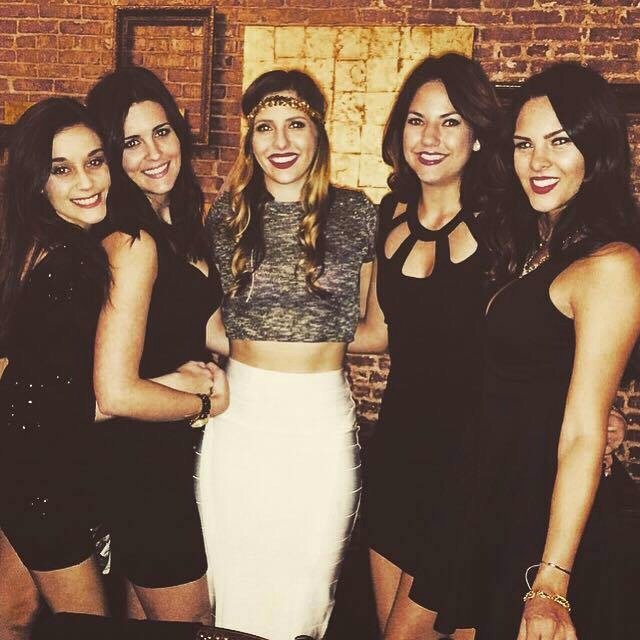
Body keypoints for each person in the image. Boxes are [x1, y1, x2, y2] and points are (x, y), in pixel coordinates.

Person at [410, 62, 640, 640]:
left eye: (560, 142)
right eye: (523, 144)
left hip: (539, 509)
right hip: (485, 484)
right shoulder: (535, 244)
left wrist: (550, 584)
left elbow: (583, 432)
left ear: (597, 149)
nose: (538, 162)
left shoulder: (611, 265)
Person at [195, 69, 377, 640]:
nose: (280, 141)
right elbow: (200, 317)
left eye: (295, 124)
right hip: (240, 419)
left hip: (320, 424)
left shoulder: (357, 212)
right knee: (231, 591)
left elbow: (377, 327)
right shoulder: (225, 216)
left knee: (306, 595)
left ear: (318, 131)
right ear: (248, 138)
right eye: (264, 127)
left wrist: (309, 338)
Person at [348, 53, 501, 639]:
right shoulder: (387, 215)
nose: (429, 138)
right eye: (417, 120)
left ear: (478, 135)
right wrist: (269, 341)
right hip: (398, 455)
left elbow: (546, 333)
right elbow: (376, 332)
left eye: (450, 121)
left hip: (472, 464)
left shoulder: (508, 225)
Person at [85, 67, 229, 623]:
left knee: (147, 621)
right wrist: (202, 402)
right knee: (190, 623)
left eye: (161, 132)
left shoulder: (178, 222)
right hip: (141, 464)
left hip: (167, 455)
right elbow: (115, 393)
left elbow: (206, 329)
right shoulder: (131, 241)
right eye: (131, 142)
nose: (153, 153)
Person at [0, 97, 112, 639]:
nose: (87, 182)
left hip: (17, 465)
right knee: (88, 628)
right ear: (37, 181)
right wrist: (173, 389)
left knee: (13, 612)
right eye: (61, 169)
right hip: (40, 477)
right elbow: (68, 401)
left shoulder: (31, 245)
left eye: (95, 161)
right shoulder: (77, 264)